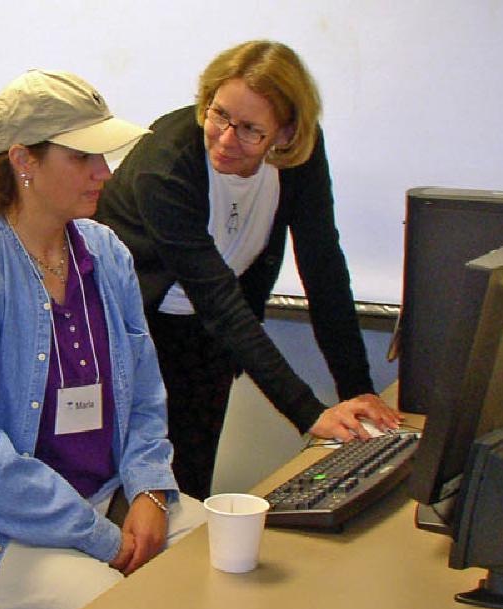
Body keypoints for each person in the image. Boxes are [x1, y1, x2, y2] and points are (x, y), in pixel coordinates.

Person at [0, 70, 205, 609]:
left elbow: (144, 396)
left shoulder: (104, 253)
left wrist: (148, 490)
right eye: (82, 157)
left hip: (109, 496)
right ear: (25, 161)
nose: (105, 173)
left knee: (229, 568)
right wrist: (97, 537)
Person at [95, 40, 403, 501]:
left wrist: (358, 391)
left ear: (284, 134)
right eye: (218, 114)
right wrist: (308, 413)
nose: (224, 138)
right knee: (134, 494)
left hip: (208, 337)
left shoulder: (299, 156)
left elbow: (323, 268)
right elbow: (216, 298)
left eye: (250, 130)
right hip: (133, 330)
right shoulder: (166, 164)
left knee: (187, 493)